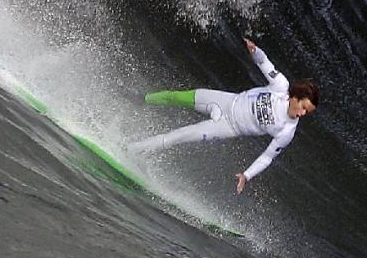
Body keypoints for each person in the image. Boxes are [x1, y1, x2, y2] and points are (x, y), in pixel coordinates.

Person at [129, 38, 318, 194]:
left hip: (227, 127)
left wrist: (247, 175)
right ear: (295, 96)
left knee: (178, 136)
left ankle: (132, 150)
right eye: (303, 107)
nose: (302, 114)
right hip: (226, 101)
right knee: (176, 96)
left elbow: (267, 157)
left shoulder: (287, 131)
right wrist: (255, 50)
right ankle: (140, 99)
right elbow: (264, 62)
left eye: (306, 113)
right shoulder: (280, 86)